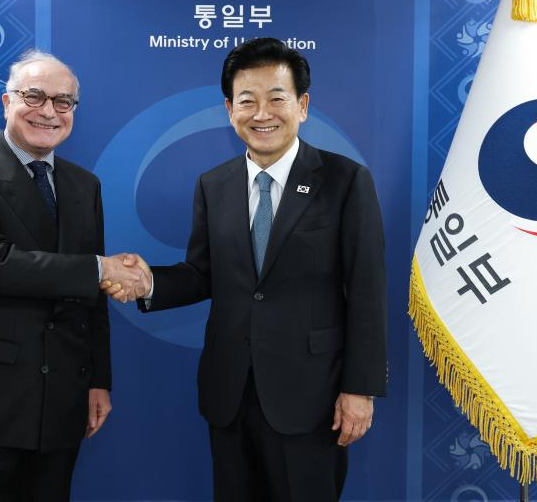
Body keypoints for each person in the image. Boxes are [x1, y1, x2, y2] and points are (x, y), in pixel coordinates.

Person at [104, 38, 388, 502]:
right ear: (229, 109)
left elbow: (367, 290)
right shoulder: (214, 185)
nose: (262, 113)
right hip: (230, 391)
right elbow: (201, 273)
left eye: (276, 98)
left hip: (312, 396)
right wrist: (148, 281)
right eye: (247, 101)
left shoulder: (345, 181)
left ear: (302, 105)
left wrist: (361, 388)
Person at [0, 49, 149, 502]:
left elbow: (92, 295)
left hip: (62, 396)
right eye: (35, 96)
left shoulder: (84, 186)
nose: (48, 111)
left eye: (63, 102)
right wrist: (100, 268)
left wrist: (97, 378)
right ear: (6, 102)